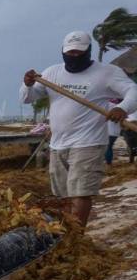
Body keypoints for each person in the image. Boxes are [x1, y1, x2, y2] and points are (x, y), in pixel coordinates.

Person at [21, 30, 137, 225]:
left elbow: (133, 91)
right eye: (70, 52)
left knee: (81, 192)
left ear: (89, 50)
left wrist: (122, 108)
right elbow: (27, 98)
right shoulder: (52, 73)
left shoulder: (107, 72)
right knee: (62, 195)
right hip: (58, 144)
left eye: (78, 52)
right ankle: (67, 232)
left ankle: (77, 237)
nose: (73, 56)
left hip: (88, 143)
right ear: (63, 51)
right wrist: (28, 84)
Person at [105, 97, 121, 165]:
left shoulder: (108, 105)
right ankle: (109, 162)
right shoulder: (121, 107)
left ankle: (108, 163)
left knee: (107, 147)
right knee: (109, 147)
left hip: (108, 130)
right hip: (116, 131)